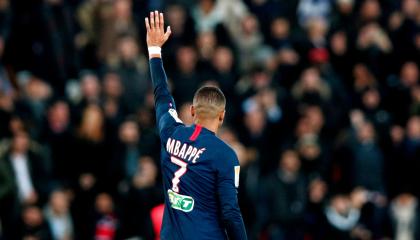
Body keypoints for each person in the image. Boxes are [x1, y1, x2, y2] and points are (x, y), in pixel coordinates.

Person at [145, 11, 247, 239]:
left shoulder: (170, 132)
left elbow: (161, 94)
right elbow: (231, 212)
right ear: (222, 116)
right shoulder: (225, 155)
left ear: (192, 111)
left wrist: (154, 51)